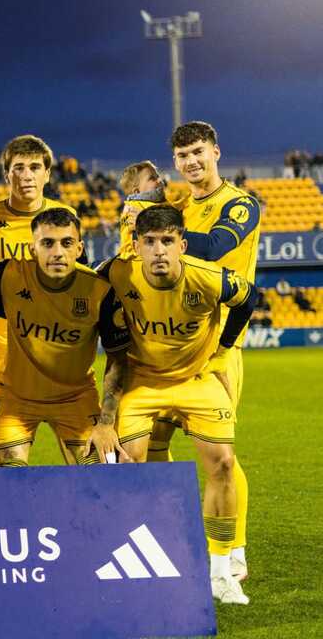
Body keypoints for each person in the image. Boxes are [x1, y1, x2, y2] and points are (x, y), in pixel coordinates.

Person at [98, 205, 256, 605]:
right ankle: (152, 559)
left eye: (167, 241)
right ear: (135, 246)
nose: (159, 251)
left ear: (182, 245)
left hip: (195, 380)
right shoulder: (116, 273)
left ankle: (221, 571)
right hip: (143, 382)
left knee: (222, 461)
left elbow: (248, 297)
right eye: (149, 242)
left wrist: (221, 352)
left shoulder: (207, 277)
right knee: (129, 466)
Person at [126, 121, 261, 580]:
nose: (192, 162)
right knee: (155, 444)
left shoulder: (240, 204)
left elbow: (218, 245)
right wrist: (144, 207)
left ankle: (233, 548)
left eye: (199, 152)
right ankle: (171, 533)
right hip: (163, 345)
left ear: (216, 152)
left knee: (220, 453)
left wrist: (151, 216)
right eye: (183, 157)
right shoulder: (180, 204)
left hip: (218, 347)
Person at [0, 208, 130, 466]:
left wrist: (106, 423)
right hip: (17, 399)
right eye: (47, 243)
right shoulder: (7, 276)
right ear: (32, 249)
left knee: (103, 474)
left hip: (76, 399)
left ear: (80, 249)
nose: (58, 252)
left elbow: (118, 360)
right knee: (9, 476)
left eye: (67, 243)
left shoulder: (100, 291)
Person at [0, 135, 75, 460]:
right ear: (7, 175)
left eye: (34, 167)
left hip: (56, 348)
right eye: (18, 168)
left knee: (84, 454)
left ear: (47, 174)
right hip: (3, 348)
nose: (26, 175)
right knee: (6, 457)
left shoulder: (67, 215)